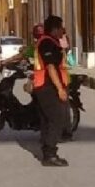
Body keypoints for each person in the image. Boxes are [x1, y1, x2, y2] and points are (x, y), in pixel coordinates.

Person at [33, 16, 70, 167]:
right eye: (61, 27)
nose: (63, 30)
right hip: (47, 87)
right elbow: (50, 67)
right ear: (55, 29)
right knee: (57, 118)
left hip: (44, 86)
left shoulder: (49, 41)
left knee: (48, 119)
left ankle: (46, 149)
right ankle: (50, 155)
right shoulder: (47, 43)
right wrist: (60, 89)